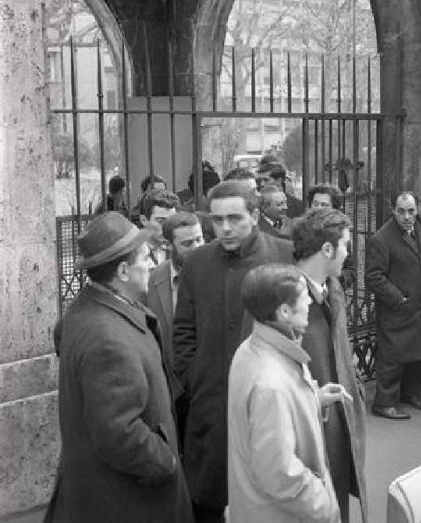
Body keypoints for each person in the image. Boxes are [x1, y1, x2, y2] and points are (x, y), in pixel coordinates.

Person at [46, 213, 192, 523]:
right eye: (145, 257)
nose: (152, 263)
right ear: (123, 270)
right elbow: (118, 433)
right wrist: (166, 461)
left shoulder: (96, 307)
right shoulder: (106, 337)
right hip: (128, 502)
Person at [173, 181, 294, 522]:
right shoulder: (197, 262)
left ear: (255, 215)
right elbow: (183, 330)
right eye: (217, 219)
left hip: (267, 406)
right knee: (209, 502)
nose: (224, 228)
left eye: (235, 218)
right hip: (210, 408)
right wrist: (195, 377)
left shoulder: (285, 255)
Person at [227, 264, 344, 523]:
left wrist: (312, 397)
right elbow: (279, 472)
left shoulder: (252, 348)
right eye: (304, 298)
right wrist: (324, 504)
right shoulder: (270, 383)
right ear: (284, 311)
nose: (310, 304)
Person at [293, 209, 368, 523]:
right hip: (307, 436)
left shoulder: (331, 287)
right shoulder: (283, 298)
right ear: (327, 249)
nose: (348, 254)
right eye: (346, 245)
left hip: (338, 425)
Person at [365, 192, 421, 420]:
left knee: (416, 353)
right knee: (391, 358)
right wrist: (398, 298)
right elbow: (373, 276)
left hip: (417, 307)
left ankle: (410, 394)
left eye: (411, 211)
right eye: (401, 211)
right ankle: (384, 403)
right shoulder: (381, 238)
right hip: (397, 308)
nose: (407, 216)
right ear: (392, 210)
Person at [147, 211, 204, 444]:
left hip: (207, 388)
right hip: (171, 391)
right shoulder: (152, 280)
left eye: (200, 239)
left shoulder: (216, 276)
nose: (197, 247)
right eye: (188, 243)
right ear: (170, 246)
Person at [138, 189, 180, 265]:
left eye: (171, 221)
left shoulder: (178, 249)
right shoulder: (133, 252)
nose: (167, 227)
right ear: (143, 220)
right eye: (161, 221)